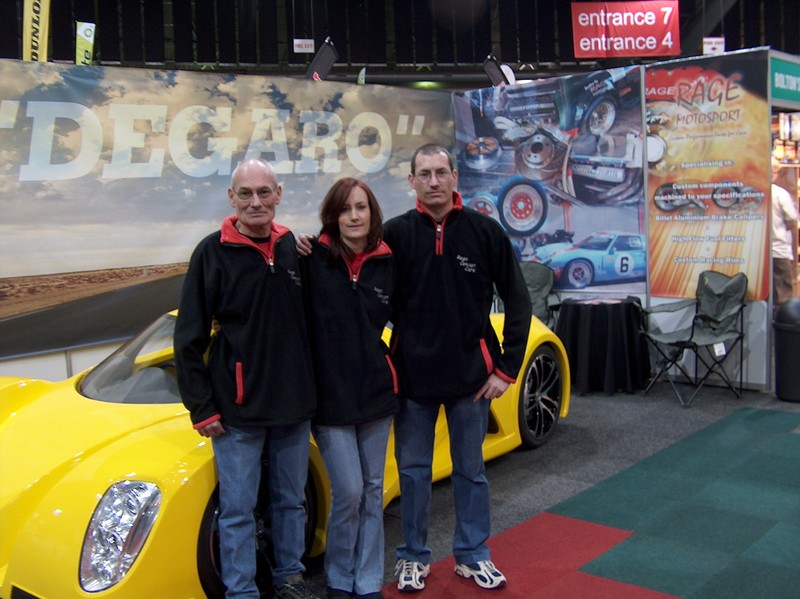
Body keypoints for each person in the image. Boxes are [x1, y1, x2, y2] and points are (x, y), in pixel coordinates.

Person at [385, 144, 532, 591]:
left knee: (471, 471)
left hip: (472, 381)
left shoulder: (485, 232)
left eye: (440, 172)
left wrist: (505, 369)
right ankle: (413, 556)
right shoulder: (394, 235)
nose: (433, 181)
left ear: (455, 177)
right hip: (413, 381)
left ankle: (472, 554)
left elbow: (518, 300)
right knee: (413, 473)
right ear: (411, 181)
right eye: (424, 173)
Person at [174, 158, 320, 599]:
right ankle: (241, 592)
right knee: (237, 510)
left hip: (293, 406)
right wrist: (201, 407)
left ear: (278, 195)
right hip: (237, 411)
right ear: (231, 198)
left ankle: (290, 578)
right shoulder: (211, 253)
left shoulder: (294, 248)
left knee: (291, 501)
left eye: (264, 192)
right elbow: (189, 337)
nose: (255, 202)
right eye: (246, 193)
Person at [300, 177, 398, 599]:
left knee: (374, 490)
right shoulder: (312, 258)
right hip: (330, 398)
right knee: (350, 491)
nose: (354, 216)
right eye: (345, 209)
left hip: (375, 392)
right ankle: (340, 577)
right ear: (333, 216)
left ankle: (368, 579)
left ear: (372, 213)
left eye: (361, 207)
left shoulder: (388, 262)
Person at [771, 157, 799, 311]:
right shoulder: (780, 194)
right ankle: (781, 324)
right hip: (779, 251)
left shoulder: (754, 192)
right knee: (783, 300)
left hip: (758, 255)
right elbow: (792, 221)